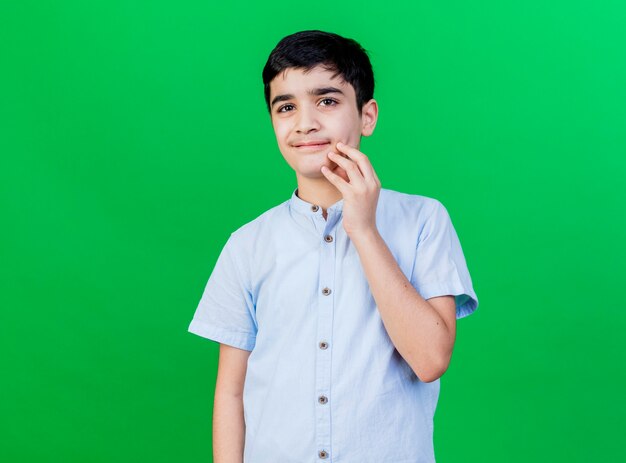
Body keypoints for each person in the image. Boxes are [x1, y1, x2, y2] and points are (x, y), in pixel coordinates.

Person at [188, 30, 479, 463]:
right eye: (286, 107)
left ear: (367, 116)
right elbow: (231, 391)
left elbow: (430, 359)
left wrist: (363, 229)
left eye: (327, 100)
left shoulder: (423, 220)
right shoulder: (247, 245)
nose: (305, 123)